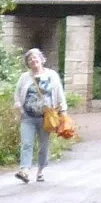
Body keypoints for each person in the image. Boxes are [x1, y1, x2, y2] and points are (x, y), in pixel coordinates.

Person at [13, 46, 64, 183]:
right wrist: (18, 104)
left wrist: (63, 112)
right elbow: (17, 93)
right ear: (27, 63)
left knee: (43, 145)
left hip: (46, 117)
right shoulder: (24, 77)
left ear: (41, 59)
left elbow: (59, 93)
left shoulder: (52, 75)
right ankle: (24, 170)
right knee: (26, 144)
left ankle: (41, 170)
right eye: (30, 59)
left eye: (35, 57)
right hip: (28, 116)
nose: (33, 60)